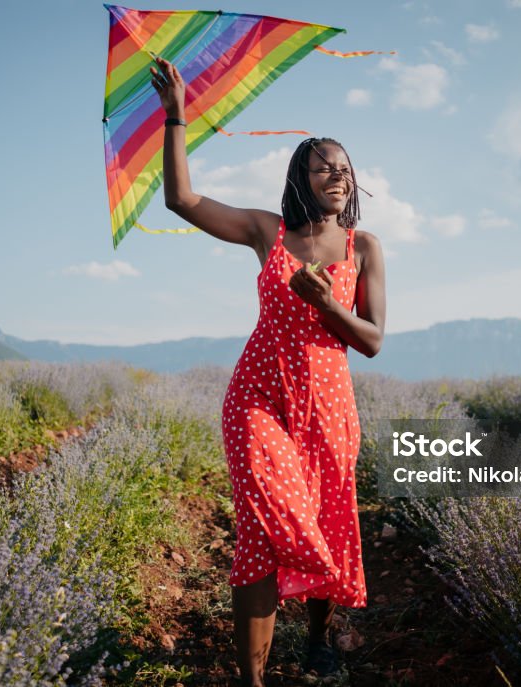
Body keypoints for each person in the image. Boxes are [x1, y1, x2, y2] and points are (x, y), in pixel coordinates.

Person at [150, 56, 386, 687]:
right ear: (301, 177)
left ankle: (317, 640)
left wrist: (327, 303)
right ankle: (252, 681)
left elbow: (372, 342)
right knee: (262, 525)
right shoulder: (268, 231)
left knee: (328, 516)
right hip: (259, 398)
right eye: (323, 167)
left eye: (344, 168)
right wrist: (176, 115)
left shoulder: (363, 249)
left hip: (330, 406)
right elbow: (182, 199)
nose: (336, 175)